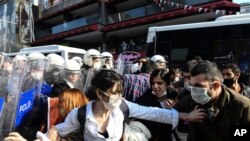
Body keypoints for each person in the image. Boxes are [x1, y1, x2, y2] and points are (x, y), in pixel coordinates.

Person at [53, 69, 205, 141]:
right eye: (114, 92)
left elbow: (153, 112)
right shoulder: (80, 114)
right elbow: (58, 131)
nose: (118, 96)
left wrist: (186, 116)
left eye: (120, 92)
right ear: (99, 94)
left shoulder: (122, 106)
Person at [174, 60, 250, 141]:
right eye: (192, 85)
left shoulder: (241, 105)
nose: (194, 91)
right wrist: (187, 116)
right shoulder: (191, 99)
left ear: (216, 85)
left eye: (198, 86)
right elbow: (171, 113)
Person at [6, 88, 89, 141]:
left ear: (71, 105)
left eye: (61, 105)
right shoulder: (68, 124)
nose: (59, 109)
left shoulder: (81, 132)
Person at [136, 69, 179, 141]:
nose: (155, 86)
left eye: (159, 83)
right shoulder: (143, 100)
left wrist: (176, 107)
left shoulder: (174, 95)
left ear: (167, 84)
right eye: (153, 83)